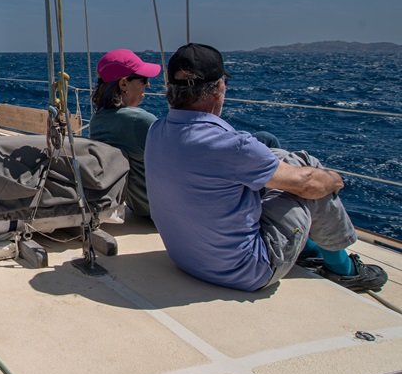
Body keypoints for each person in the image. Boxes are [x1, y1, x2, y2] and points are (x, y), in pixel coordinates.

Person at [144, 43, 387, 293]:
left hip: (187, 259)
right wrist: (335, 179)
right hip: (248, 270)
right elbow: (308, 184)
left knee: (275, 152)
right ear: (219, 88)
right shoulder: (232, 145)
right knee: (310, 171)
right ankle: (345, 270)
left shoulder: (157, 131)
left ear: (170, 89)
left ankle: (310, 249)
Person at [88, 49, 161, 218]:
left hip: (139, 208)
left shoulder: (97, 121)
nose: (148, 85)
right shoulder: (140, 121)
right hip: (162, 211)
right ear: (123, 84)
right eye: (143, 79)